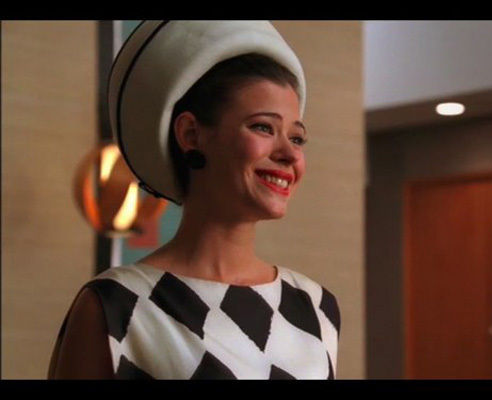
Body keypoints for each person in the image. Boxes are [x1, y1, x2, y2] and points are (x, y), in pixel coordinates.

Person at [48, 20, 340, 380]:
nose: (290, 155)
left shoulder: (315, 306)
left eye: (297, 138)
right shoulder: (116, 304)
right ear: (190, 134)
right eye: (263, 127)